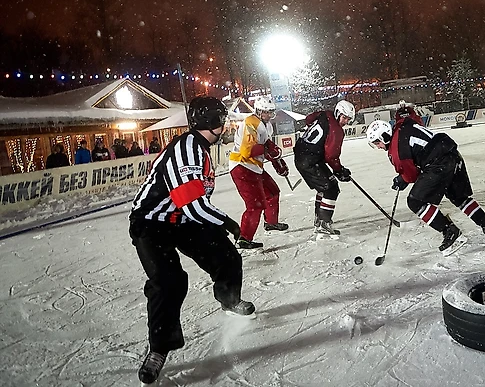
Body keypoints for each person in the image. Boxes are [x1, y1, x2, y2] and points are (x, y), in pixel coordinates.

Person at [128, 96, 253, 385]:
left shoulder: (202, 148)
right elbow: (193, 205)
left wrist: (219, 229)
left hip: (182, 220)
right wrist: (227, 222)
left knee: (226, 255)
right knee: (169, 281)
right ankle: (159, 348)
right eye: (221, 120)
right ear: (212, 122)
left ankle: (228, 299)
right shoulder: (187, 148)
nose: (225, 126)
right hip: (152, 223)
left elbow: (192, 208)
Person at [366, 118, 485, 255]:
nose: (378, 146)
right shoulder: (402, 125)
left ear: (385, 137)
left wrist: (403, 177)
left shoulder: (397, 151)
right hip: (451, 153)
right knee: (458, 196)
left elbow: (411, 176)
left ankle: (451, 232)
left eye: (378, 142)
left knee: (415, 201)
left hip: (438, 163)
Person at [228, 96, 289, 249]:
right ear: (259, 111)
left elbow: (267, 147)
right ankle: (244, 238)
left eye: (271, 112)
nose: (269, 115)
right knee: (255, 204)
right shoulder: (250, 123)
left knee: (273, 192)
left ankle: (271, 222)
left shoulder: (265, 125)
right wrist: (269, 150)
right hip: (241, 166)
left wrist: (278, 163)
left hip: (254, 167)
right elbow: (248, 151)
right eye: (266, 112)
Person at [294, 100, 355, 237]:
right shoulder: (337, 131)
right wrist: (339, 171)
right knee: (331, 188)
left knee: (324, 186)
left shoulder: (325, 114)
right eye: (344, 117)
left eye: (348, 119)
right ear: (338, 113)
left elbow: (308, 119)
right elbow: (331, 156)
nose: (345, 121)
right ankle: (323, 223)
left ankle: (319, 220)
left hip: (303, 155)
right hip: (310, 160)